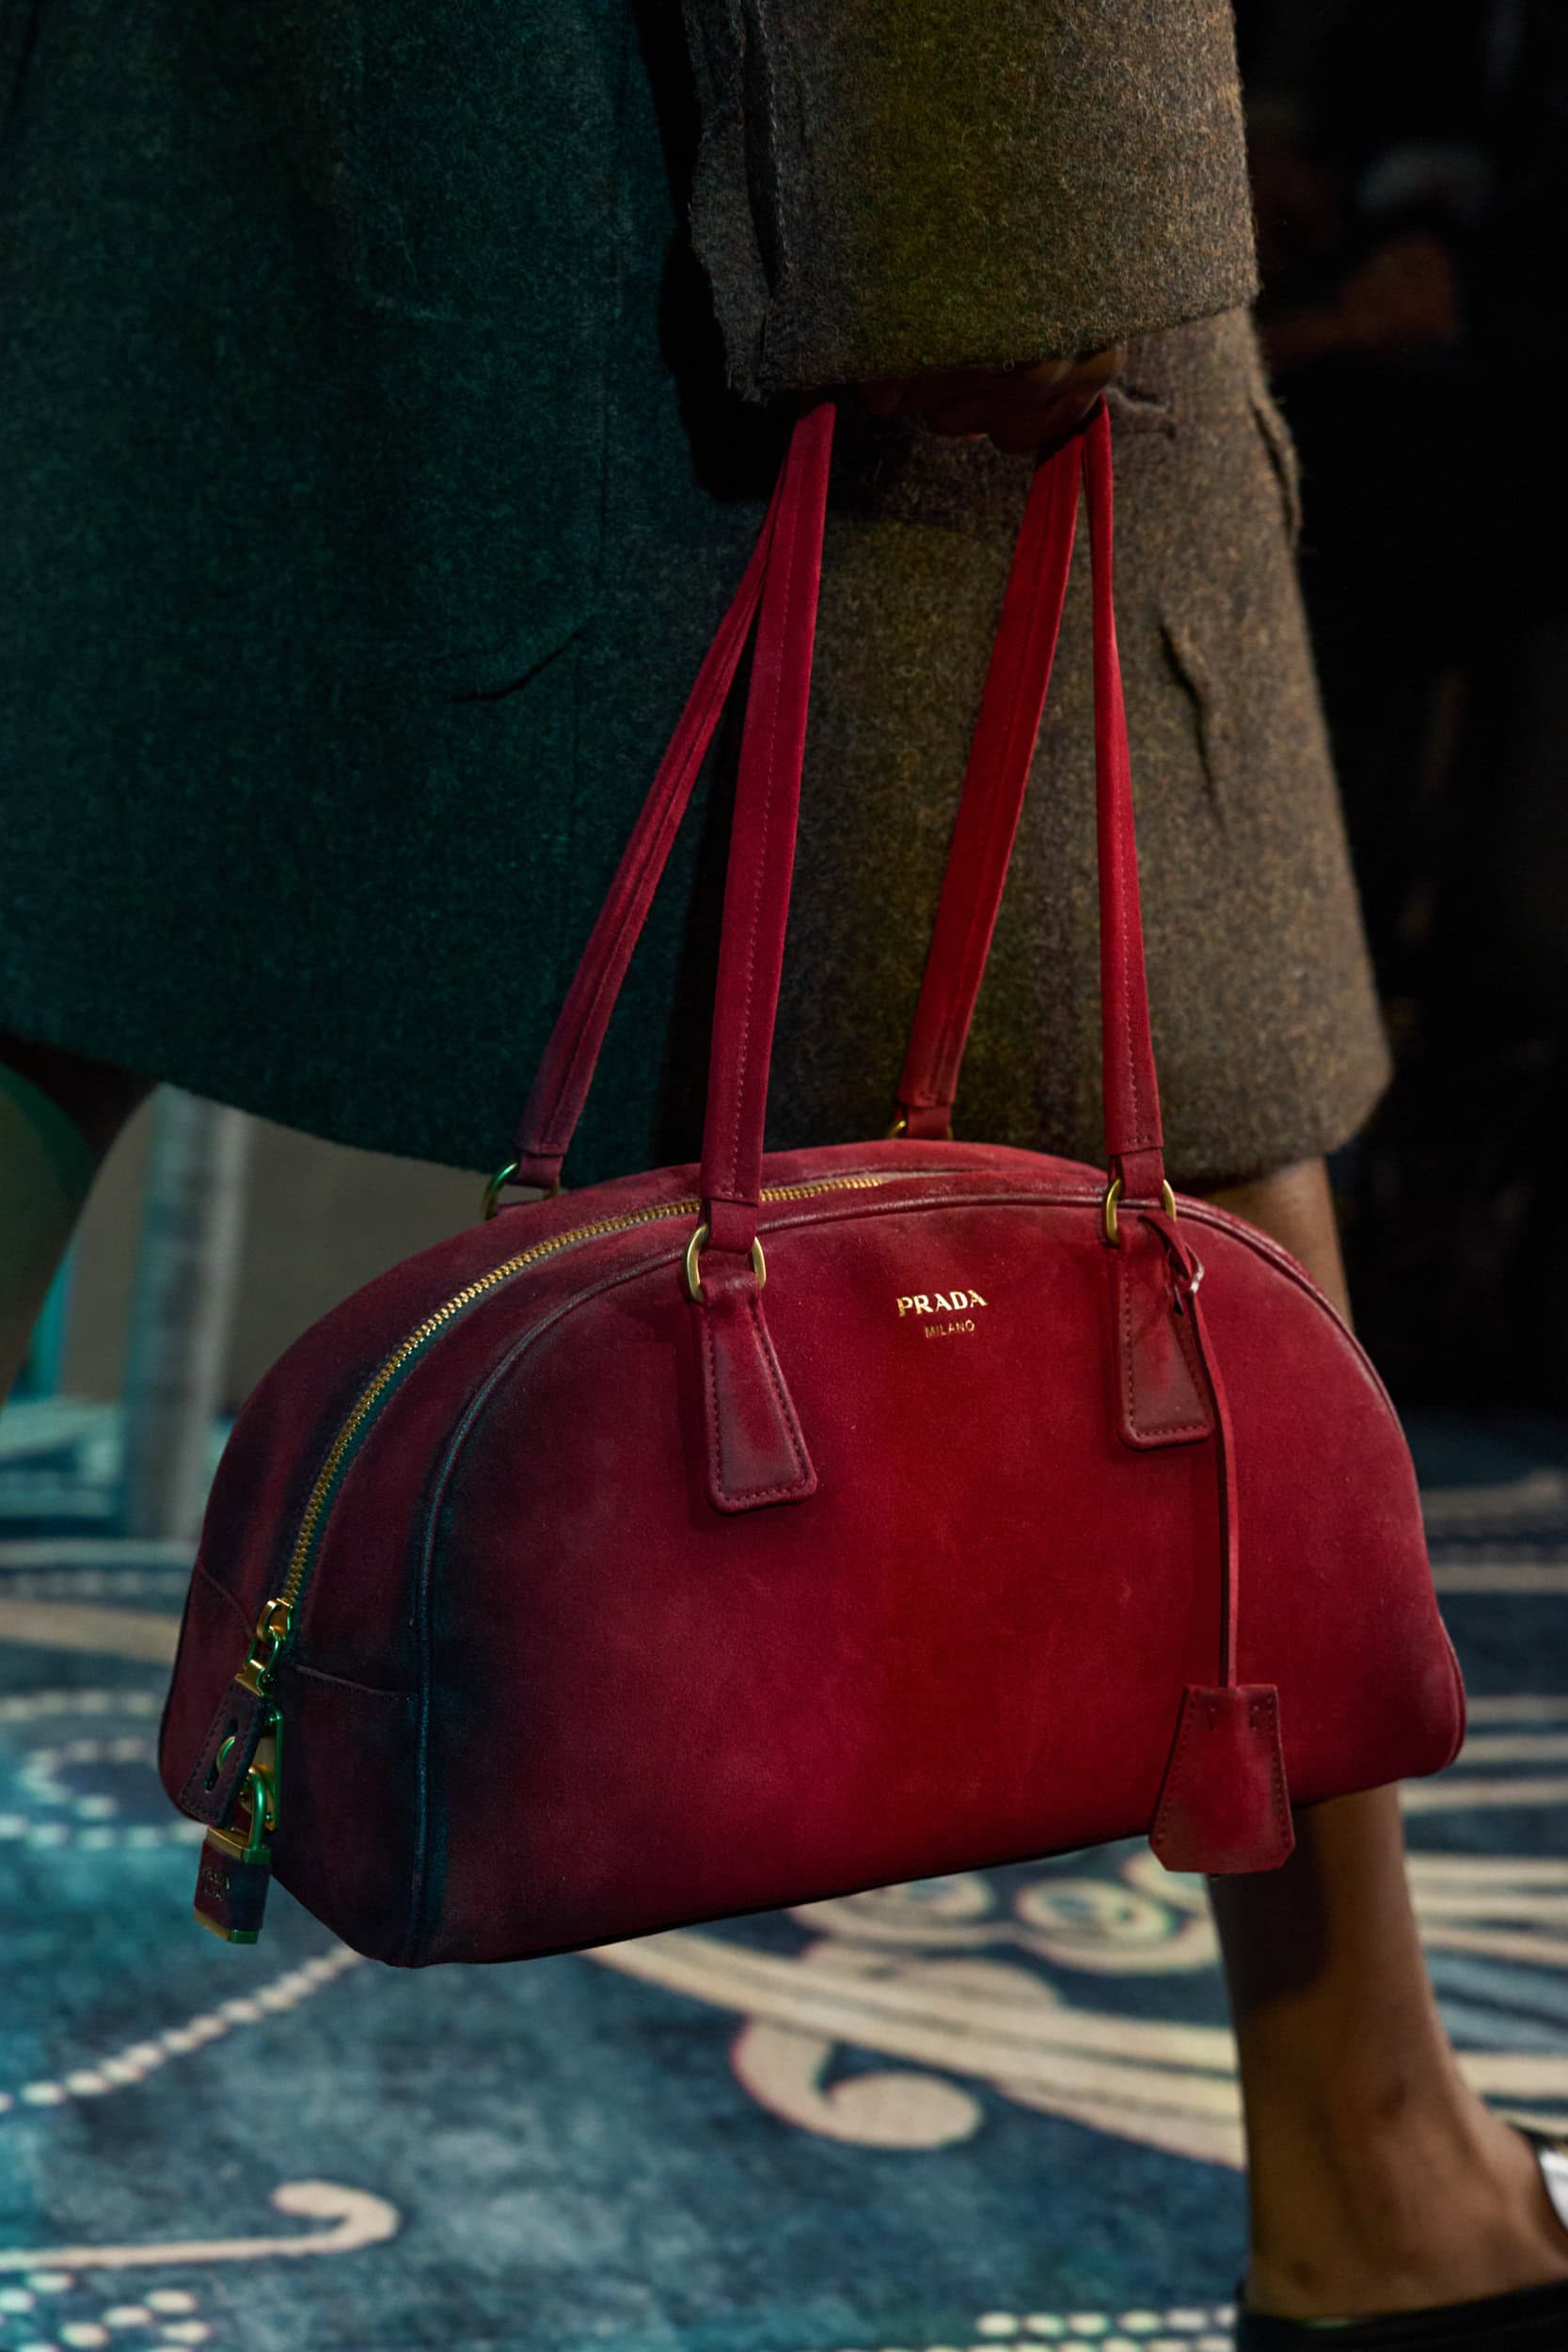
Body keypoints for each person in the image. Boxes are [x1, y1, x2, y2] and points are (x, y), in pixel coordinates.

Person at [0, 4, 1564, 2340]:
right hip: (795, 135)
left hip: (255, 117)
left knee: (60, 918)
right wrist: (1028, 192)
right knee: (1168, 1071)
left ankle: (1386, 2157)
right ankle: (1380, 2173)